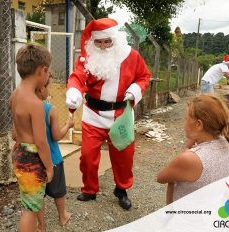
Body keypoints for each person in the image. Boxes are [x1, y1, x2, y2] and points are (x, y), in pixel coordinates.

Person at [65, 18, 151, 210]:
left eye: (107, 41)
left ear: (116, 39)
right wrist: (73, 92)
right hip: (93, 114)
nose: (103, 46)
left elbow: (144, 76)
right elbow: (78, 77)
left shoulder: (132, 56)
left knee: (124, 156)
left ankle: (121, 189)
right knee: (87, 155)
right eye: (98, 42)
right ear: (93, 42)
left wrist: (135, 90)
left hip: (120, 114)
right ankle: (89, 189)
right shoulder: (88, 58)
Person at [157, 94, 229, 204]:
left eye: (186, 119)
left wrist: (188, 148)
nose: (184, 125)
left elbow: (160, 178)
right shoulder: (226, 142)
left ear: (199, 124)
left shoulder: (191, 159)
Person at [9, 44, 54, 232]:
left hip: (19, 153)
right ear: (42, 70)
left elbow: (14, 132)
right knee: (30, 209)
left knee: (30, 200)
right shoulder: (35, 103)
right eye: (48, 72)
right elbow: (41, 142)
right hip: (32, 158)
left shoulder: (15, 95)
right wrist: (50, 167)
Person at [34, 77, 73, 230]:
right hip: (52, 158)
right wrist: (68, 125)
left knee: (38, 194)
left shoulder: (24, 108)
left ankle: (41, 225)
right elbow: (56, 136)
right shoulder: (50, 109)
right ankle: (62, 216)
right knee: (58, 191)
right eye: (48, 87)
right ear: (42, 89)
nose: (49, 90)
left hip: (34, 159)